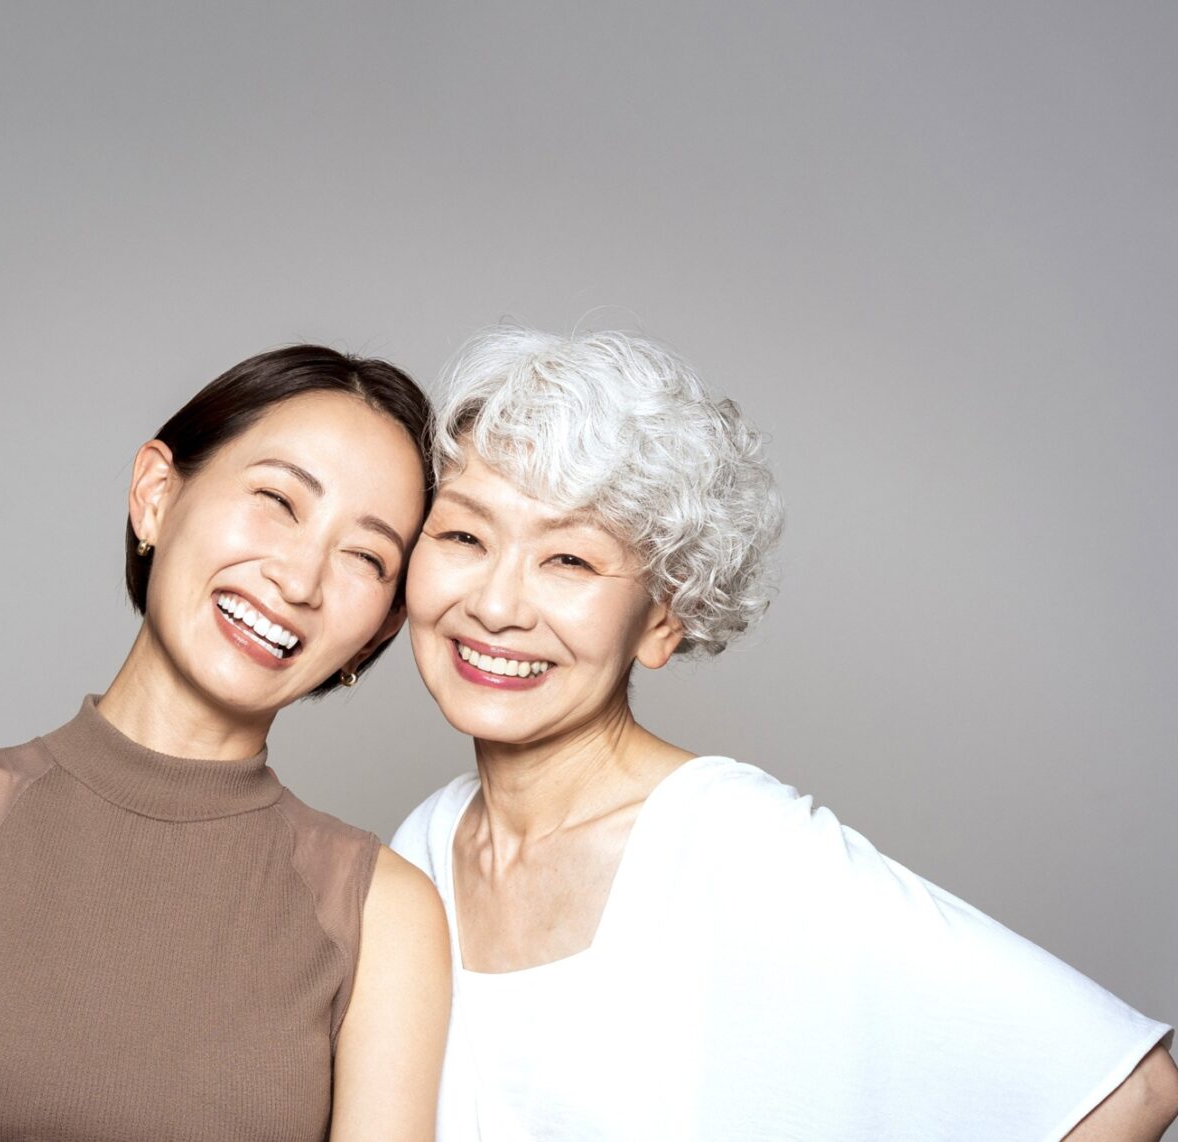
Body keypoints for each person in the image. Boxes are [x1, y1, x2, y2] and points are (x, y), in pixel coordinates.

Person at [391, 326, 1177, 1141]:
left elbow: (1133, 1088)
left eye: (569, 561)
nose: (496, 605)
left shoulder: (726, 842)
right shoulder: (423, 850)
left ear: (663, 619)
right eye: (464, 537)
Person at [0, 346, 451, 1141]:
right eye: (278, 500)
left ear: (378, 632)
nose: (300, 581)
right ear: (156, 495)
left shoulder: (385, 917)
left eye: (366, 556)